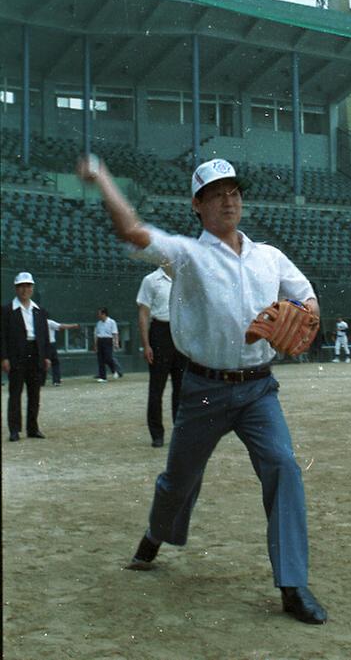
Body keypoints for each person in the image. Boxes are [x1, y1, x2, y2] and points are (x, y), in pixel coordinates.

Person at [77, 155, 327, 625]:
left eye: (234, 191)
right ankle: (156, 534)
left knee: (284, 467)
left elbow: (305, 293)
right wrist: (104, 179)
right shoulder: (186, 255)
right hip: (204, 389)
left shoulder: (268, 256)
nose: (228, 199)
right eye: (216, 193)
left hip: (258, 390)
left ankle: (292, 585)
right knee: (179, 478)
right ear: (198, 205)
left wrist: (306, 311)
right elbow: (132, 231)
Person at [137, 267, 187, 448]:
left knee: (181, 389)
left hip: (180, 333)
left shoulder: (184, 280)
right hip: (160, 333)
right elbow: (143, 313)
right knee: (156, 388)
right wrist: (146, 344)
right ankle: (157, 434)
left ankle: (181, 433)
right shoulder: (150, 280)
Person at [1, 272, 51, 441]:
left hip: (35, 354)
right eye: (21, 286)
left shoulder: (40, 311)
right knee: (15, 394)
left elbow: (44, 336)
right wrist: (4, 358)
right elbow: (2, 336)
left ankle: (33, 428)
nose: (25, 289)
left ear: (32, 288)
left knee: (34, 394)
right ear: (16, 288)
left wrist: (47, 356)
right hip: (16, 356)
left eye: (28, 286)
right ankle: (14, 430)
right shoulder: (7, 311)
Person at [45, 319, 80, 386]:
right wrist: (73, 325)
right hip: (50, 344)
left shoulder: (36, 322)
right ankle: (56, 380)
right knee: (55, 362)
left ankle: (40, 380)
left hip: (41, 344)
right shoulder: (49, 322)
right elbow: (61, 326)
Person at [94, 308, 123, 383]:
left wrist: (116, 343)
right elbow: (97, 335)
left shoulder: (112, 322)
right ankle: (103, 377)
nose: (98, 315)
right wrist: (96, 345)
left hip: (108, 340)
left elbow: (115, 333)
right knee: (100, 360)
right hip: (100, 340)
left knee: (108, 358)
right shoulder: (98, 323)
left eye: (99, 314)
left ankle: (115, 370)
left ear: (104, 314)